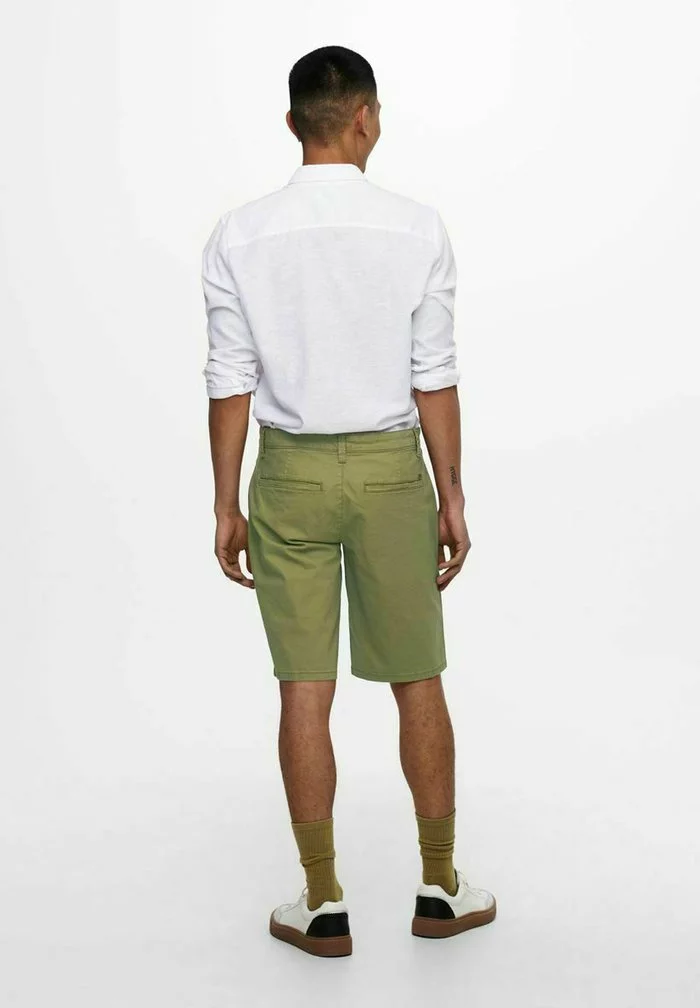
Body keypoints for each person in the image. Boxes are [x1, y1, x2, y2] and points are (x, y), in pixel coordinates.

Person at [201, 45, 496, 958]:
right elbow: (434, 374)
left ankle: (322, 900)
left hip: (287, 476)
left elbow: (229, 380)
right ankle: (440, 885)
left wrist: (225, 503)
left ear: (294, 123)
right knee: (417, 677)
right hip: (390, 476)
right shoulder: (417, 228)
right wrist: (452, 494)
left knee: (303, 686)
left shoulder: (238, 235)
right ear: (365, 118)